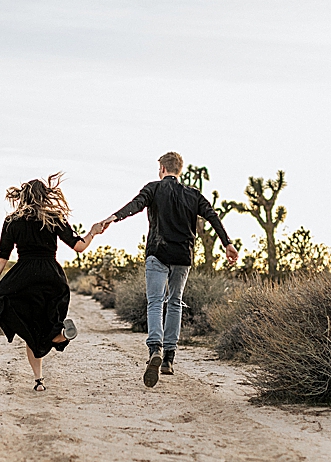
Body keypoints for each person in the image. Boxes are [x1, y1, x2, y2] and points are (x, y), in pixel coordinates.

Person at [99, 152, 239, 387]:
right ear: (179, 170)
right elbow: (213, 216)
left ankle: (155, 348)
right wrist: (227, 243)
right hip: (182, 256)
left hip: (157, 252)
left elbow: (135, 205)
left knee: (155, 301)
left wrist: (113, 218)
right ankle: (169, 359)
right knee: (175, 302)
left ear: (162, 168)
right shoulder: (193, 195)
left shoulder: (153, 189)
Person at [0, 174, 105, 391]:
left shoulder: (12, 221)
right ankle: (61, 337)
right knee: (46, 326)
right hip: (52, 277)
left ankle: (39, 380)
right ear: (45, 196)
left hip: (24, 279)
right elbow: (79, 246)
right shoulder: (54, 217)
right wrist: (93, 232)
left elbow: (2, 257)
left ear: (23, 197)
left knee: (31, 331)